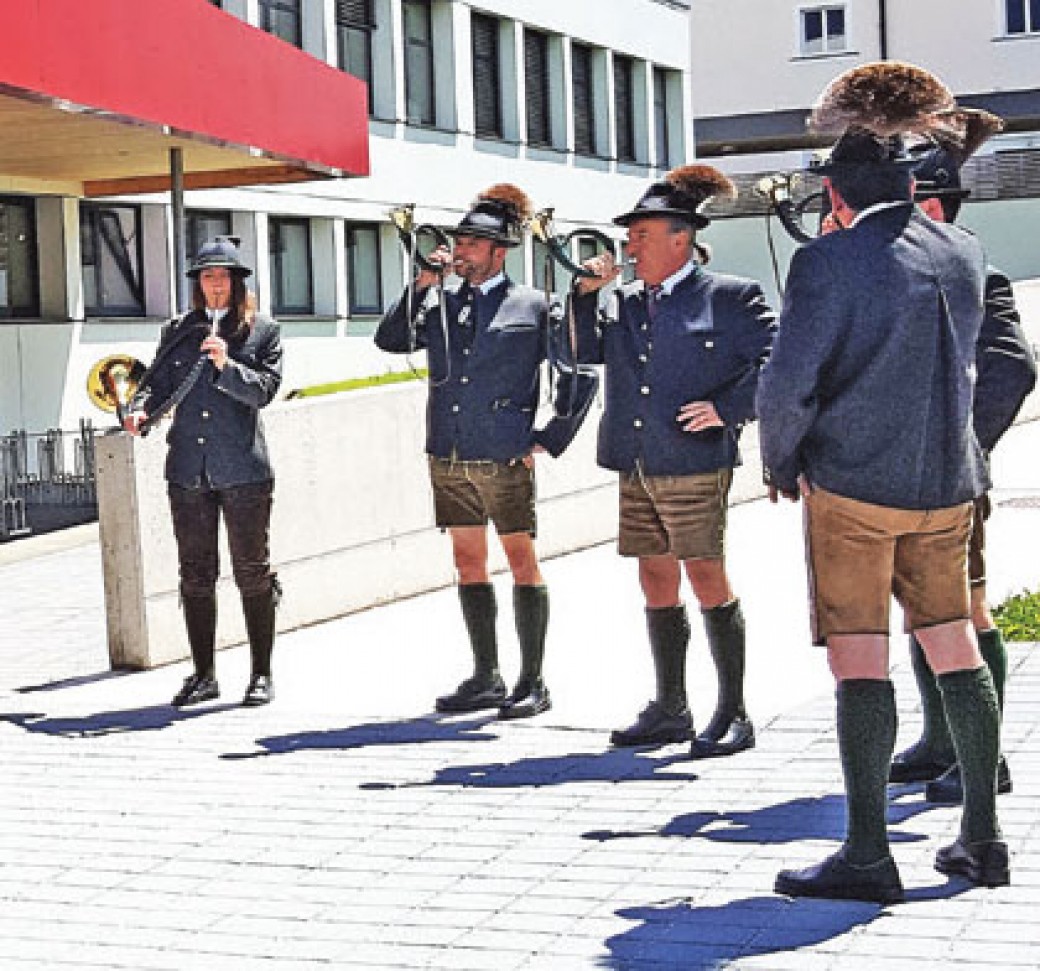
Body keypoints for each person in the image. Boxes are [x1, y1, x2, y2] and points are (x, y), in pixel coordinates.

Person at [759, 61, 1008, 903]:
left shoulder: (828, 263)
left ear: (838, 191)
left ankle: (868, 852)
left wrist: (779, 461)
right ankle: (983, 836)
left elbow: (789, 382)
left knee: (860, 661)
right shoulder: (965, 249)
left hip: (856, 487)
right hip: (949, 483)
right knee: (954, 645)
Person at [571, 165, 776, 757]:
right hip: (636, 459)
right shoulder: (626, 301)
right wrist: (585, 299)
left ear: (679, 238)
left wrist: (727, 407)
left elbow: (777, 363)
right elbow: (582, 354)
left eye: (640, 235)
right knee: (654, 574)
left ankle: (733, 710)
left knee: (706, 574)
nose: (629, 247)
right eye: (630, 236)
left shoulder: (732, 297)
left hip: (693, 461)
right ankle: (670, 706)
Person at [374, 184, 595, 720]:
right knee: (467, 560)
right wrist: (422, 283)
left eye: (472, 244)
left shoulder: (535, 304)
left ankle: (532, 680)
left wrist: (549, 438)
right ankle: (486, 675)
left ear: (500, 251)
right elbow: (390, 340)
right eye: (460, 241)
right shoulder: (441, 301)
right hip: (448, 452)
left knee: (521, 560)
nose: (462, 251)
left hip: (504, 454)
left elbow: (580, 374)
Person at [889, 109, 1038, 803]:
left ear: (939, 204)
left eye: (911, 202)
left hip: (952, 473)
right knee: (922, 611)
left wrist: (962, 446)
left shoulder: (982, 273)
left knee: (966, 611)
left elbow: (1012, 369)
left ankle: (987, 755)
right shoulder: (899, 273)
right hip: (897, 475)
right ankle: (940, 738)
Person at [124, 237, 283, 708]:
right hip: (189, 471)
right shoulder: (178, 330)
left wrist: (225, 365)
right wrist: (141, 413)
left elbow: (266, 390)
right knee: (195, 574)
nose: (214, 285)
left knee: (252, 572)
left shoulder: (262, 331)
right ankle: (204, 674)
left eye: (223, 277)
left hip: (243, 471)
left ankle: (261, 673)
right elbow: (157, 385)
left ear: (236, 283)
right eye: (206, 277)